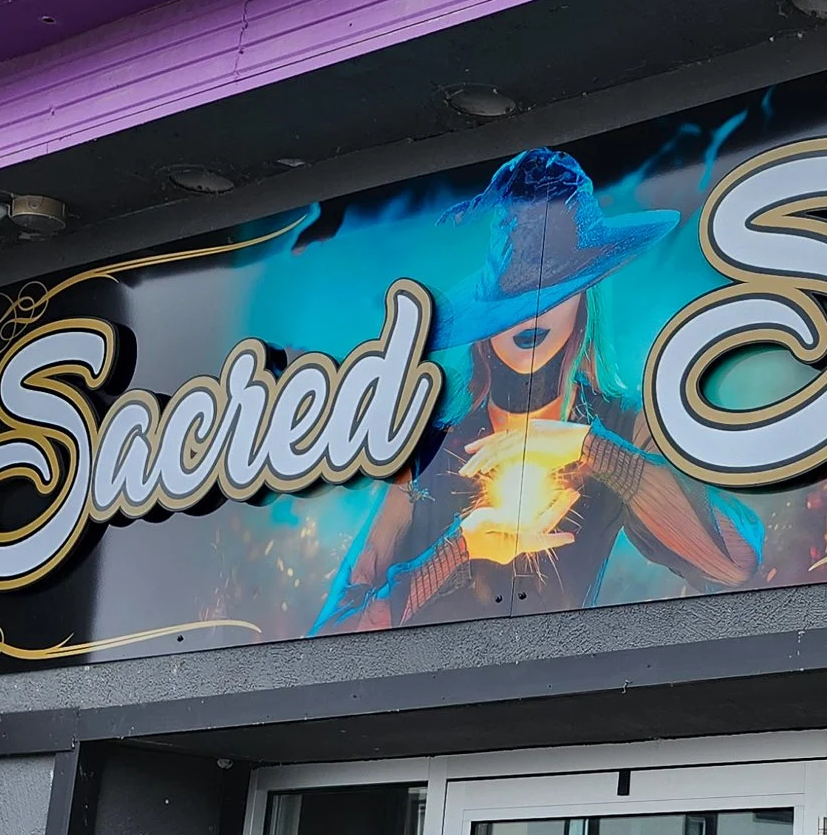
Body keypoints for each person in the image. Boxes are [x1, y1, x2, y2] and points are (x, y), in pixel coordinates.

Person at [313, 148, 762, 633]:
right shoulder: (434, 446)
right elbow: (331, 635)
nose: (532, 313)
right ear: (489, 311)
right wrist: (462, 545)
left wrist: (586, 446)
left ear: (584, 294)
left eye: (555, 288)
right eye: (516, 295)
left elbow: (733, 562)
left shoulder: (621, 425)